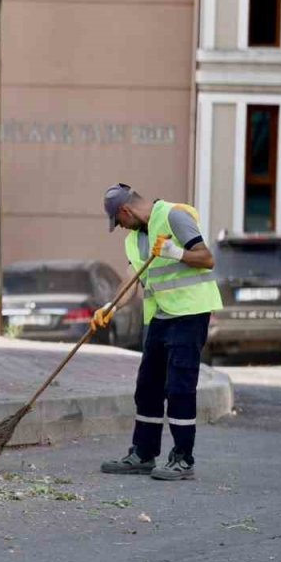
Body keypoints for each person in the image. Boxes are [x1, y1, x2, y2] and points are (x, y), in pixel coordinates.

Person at [94, 183, 222, 480]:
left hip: (190, 313)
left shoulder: (174, 217)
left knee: (179, 387)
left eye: (120, 221)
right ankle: (143, 453)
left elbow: (206, 258)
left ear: (126, 211)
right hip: (159, 318)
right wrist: (110, 307)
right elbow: (131, 279)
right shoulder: (134, 240)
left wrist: (174, 251)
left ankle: (182, 458)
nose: (122, 227)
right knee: (148, 386)